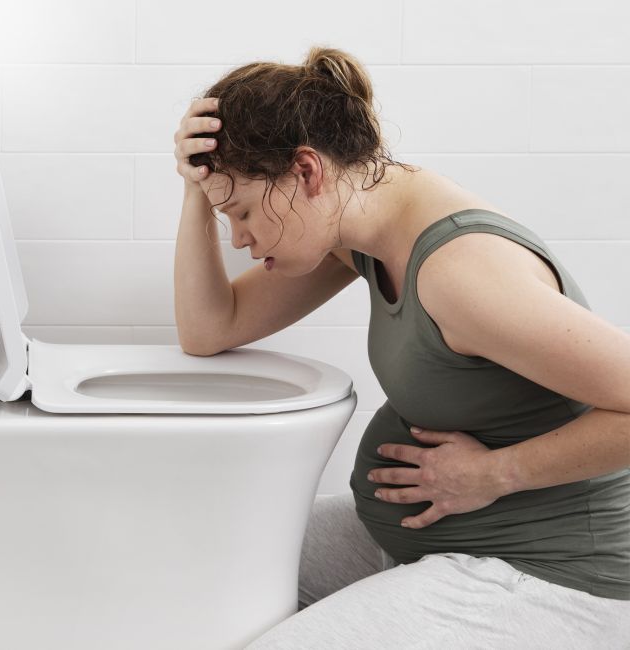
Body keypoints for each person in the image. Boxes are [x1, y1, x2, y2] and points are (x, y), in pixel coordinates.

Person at [172, 46, 630, 648]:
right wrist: (197, 191)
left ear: (306, 172)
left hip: (553, 576)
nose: (240, 238)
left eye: (245, 212)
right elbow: (211, 328)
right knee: (193, 569)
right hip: (435, 537)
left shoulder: (459, 273)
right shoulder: (358, 230)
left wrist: (495, 473)